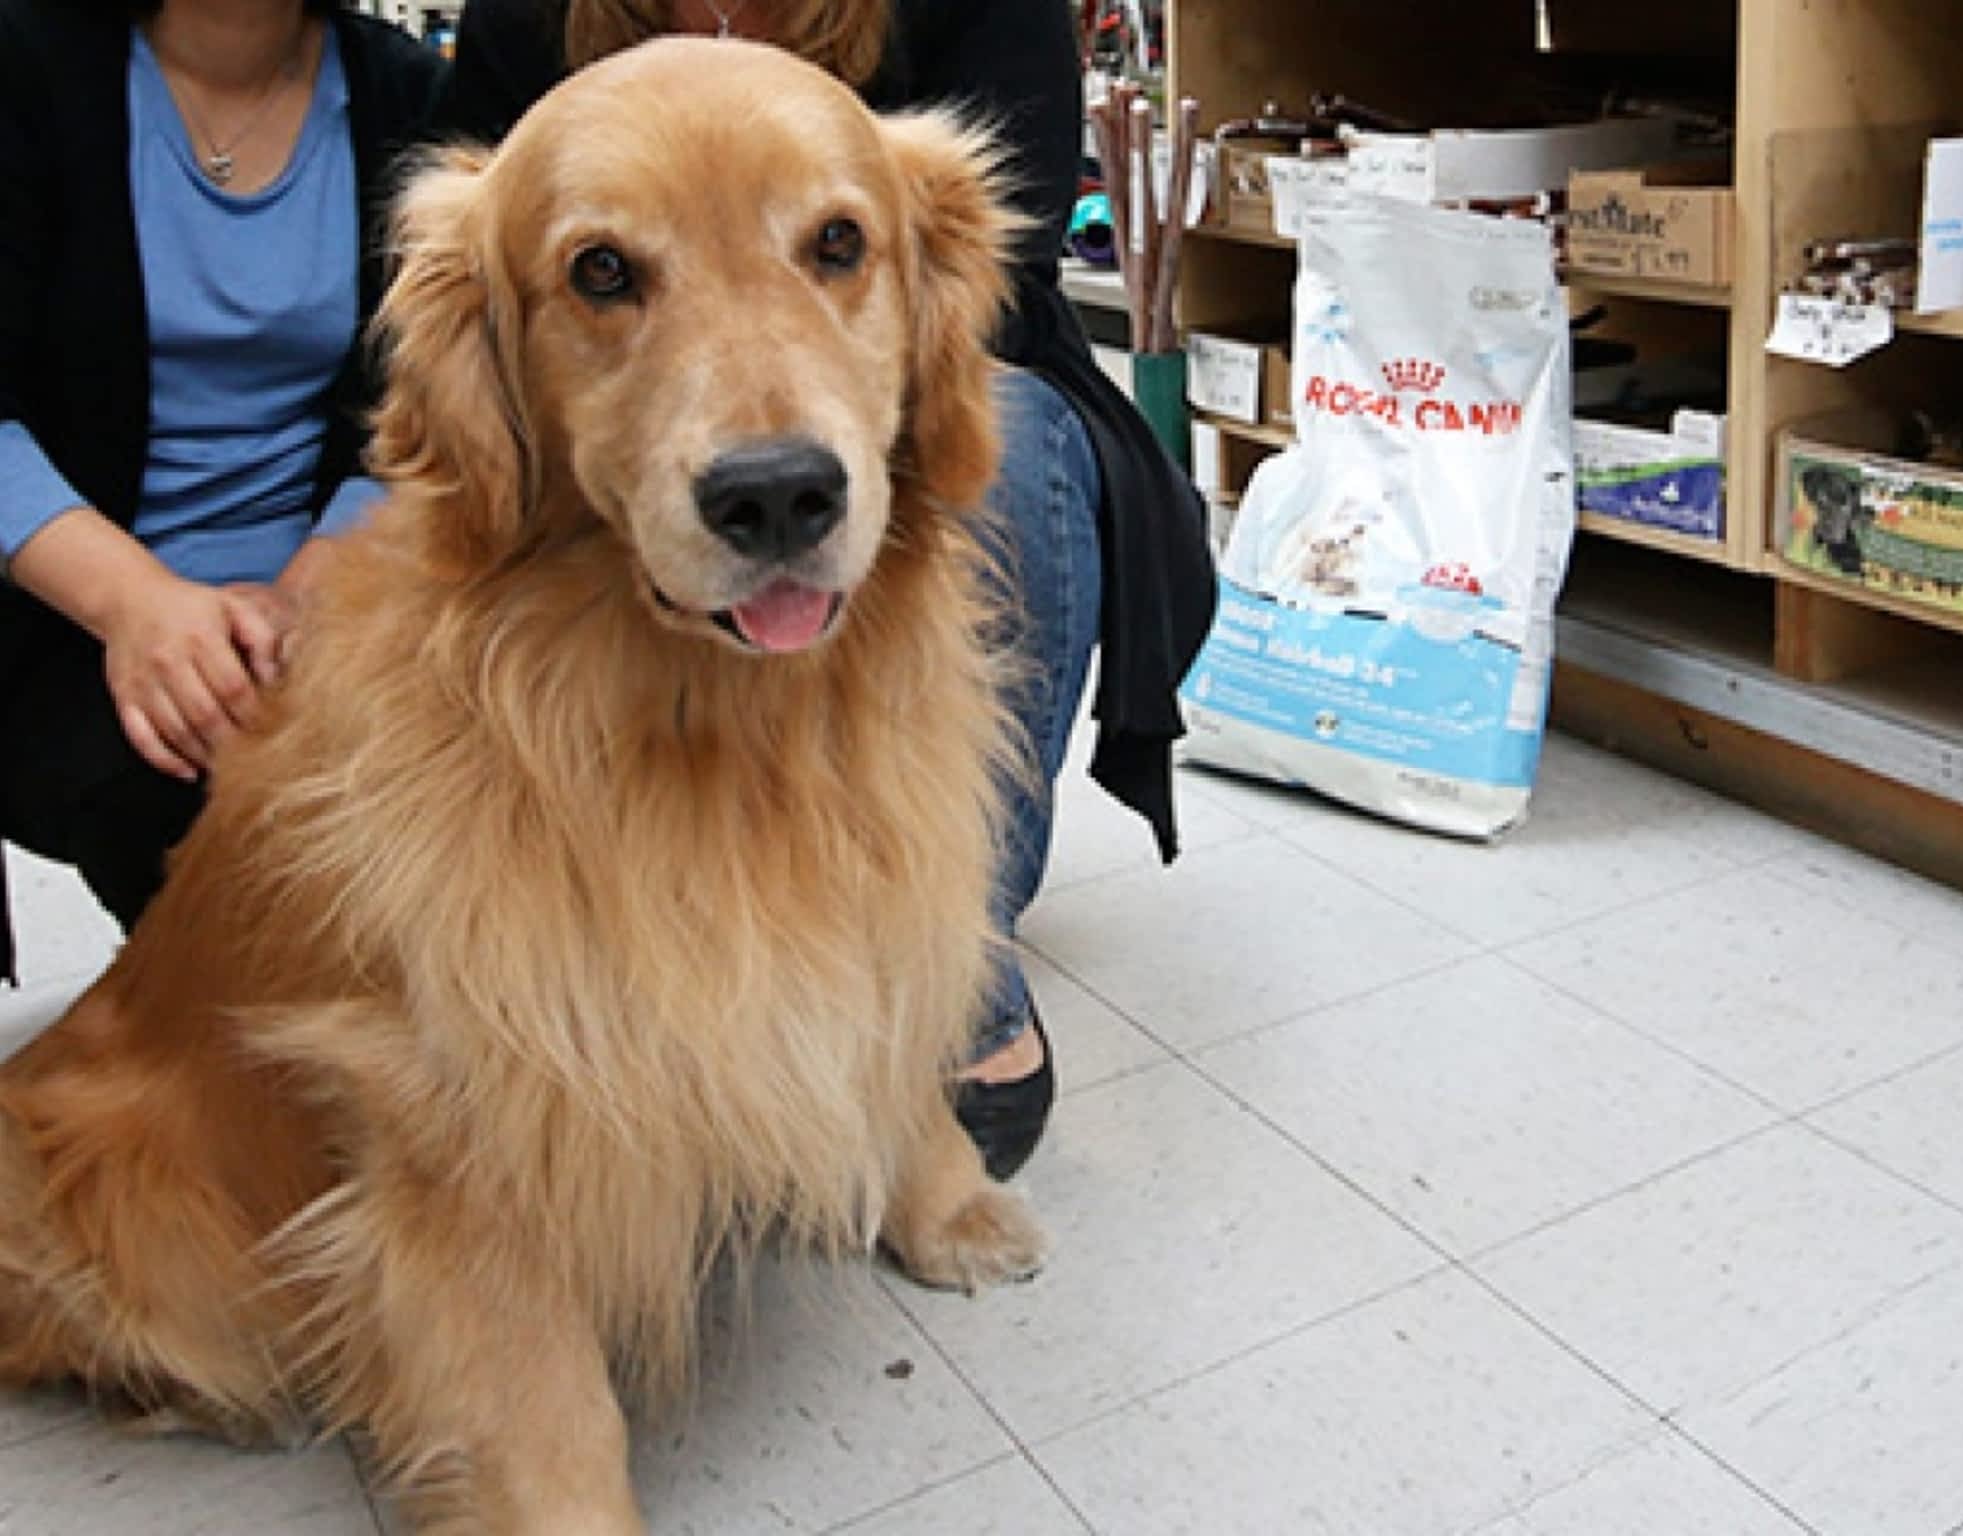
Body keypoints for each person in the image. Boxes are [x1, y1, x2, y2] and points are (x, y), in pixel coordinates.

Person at [439, 0, 1217, 1178]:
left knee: (1001, 449)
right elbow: (476, 274)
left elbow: (1002, 261)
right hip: (619, 458)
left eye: (833, 242)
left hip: (945, 379)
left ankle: (956, 976)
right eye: (607, 265)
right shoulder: (525, 15)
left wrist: (860, 397)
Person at [0, 0, 444, 984]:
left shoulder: (404, 94)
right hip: (68, 601)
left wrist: (302, 600)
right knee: (175, 788)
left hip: (341, 586)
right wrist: (142, 609)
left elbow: (414, 410)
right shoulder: (29, 67)